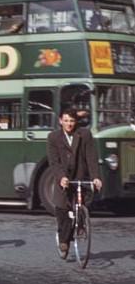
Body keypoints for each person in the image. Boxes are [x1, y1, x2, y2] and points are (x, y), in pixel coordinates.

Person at [46, 108, 102, 258]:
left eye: (72, 121)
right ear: (60, 121)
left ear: (76, 122)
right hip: (63, 177)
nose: (69, 124)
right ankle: (64, 241)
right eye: (66, 121)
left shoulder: (84, 134)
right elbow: (54, 161)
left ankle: (81, 223)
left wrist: (96, 177)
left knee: (83, 203)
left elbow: (91, 157)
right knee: (62, 209)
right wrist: (61, 177)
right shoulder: (53, 137)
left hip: (80, 174)